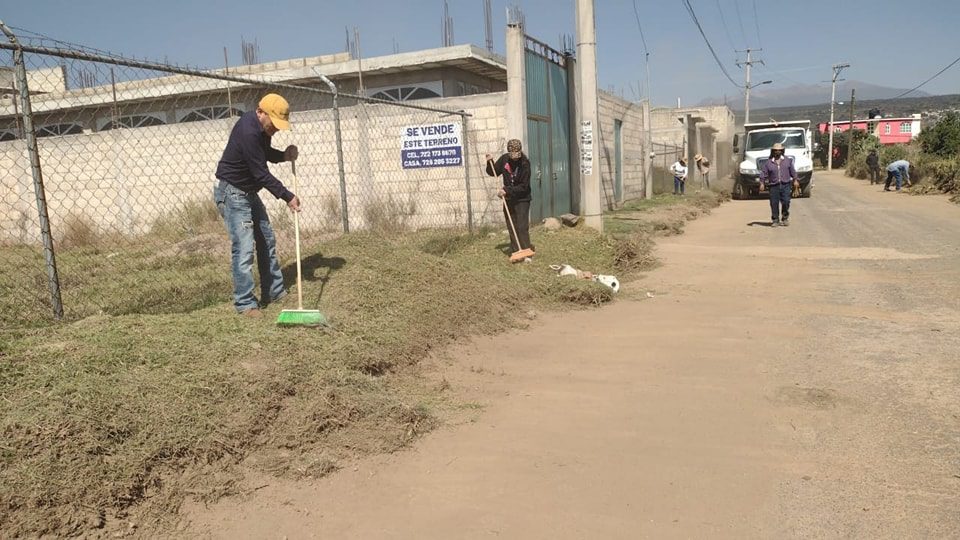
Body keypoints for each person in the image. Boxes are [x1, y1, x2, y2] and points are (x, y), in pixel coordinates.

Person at [214, 93, 301, 317]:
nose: (277, 129)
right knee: (244, 249)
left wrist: (283, 155)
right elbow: (261, 173)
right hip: (233, 194)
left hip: (249, 192)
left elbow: (265, 155)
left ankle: (274, 291)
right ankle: (245, 303)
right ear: (261, 113)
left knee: (266, 239)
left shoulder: (262, 130)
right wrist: (287, 196)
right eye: (275, 124)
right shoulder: (248, 131)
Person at [485, 139, 533, 259]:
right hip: (509, 199)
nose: (515, 158)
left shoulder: (525, 163)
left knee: (522, 226)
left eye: (517, 155)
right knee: (512, 226)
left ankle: (526, 251)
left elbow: (524, 186)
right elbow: (493, 172)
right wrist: (489, 162)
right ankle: (516, 251)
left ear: (520, 152)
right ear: (509, 153)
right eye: (513, 156)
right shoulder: (505, 159)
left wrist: (506, 190)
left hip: (522, 199)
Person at [759, 143, 799, 227]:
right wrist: (762, 183)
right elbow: (763, 173)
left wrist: (795, 180)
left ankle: (785, 218)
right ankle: (775, 220)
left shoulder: (787, 161)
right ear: (773, 151)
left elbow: (793, 171)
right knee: (774, 203)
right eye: (776, 150)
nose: (777, 152)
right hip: (773, 186)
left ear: (782, 151)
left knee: (786, 201)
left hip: (786, 185)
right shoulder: (768, 163)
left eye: (779, 150)